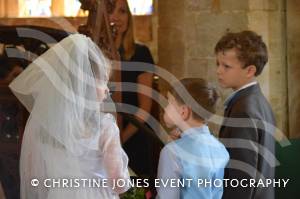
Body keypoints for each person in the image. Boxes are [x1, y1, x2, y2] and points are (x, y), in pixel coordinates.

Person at [9, 34, 130, 199]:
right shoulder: (105, 127)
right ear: (85, 84)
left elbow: (32, 174)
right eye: (104, 82)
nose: (107, 90)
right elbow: (117, 181)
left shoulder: (44, 126)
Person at [215, 30, 276, 199]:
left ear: (249, 71)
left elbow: (243, 175)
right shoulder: (257, 101)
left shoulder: (245, 110)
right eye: (217, 64)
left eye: (226, 66)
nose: (219, 71)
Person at [109, 0, 160, 178]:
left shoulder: (140, 53)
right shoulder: (95, 55)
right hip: (103, 139)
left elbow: (144, 108)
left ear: (129, 18)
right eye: (111, 10)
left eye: (122, 11)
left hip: (133, 135)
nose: (116, 16)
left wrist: (120, 139)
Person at [156, 78, 229, 199]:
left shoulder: (172, 152)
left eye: (169, 103)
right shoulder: (220, 148)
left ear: (183, 112)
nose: (165, 108)